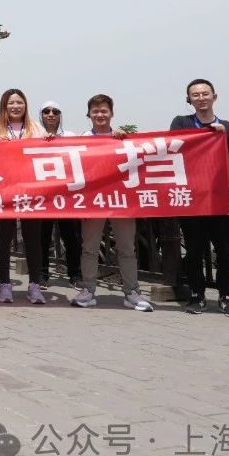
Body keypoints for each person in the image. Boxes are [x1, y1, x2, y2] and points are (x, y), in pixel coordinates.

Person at [170, 79, 229, 316]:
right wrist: (207, 135)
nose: (201, 98)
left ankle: (226, 296)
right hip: (192, 199)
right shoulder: (181, 123)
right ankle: (197, 295)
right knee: (194, 250)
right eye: (195, 95)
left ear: (214, 97)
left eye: (205, 93)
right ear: (189, 100)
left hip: (220, 199)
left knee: (224, 251)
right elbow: (174, 148)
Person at [72, 94, 153, 311]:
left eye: (104, 111)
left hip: (121, 201)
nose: (100, 115)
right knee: (89, 248)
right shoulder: (82, 140)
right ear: (89, 114)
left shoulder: (122, 138)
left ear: (111, 113)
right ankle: (88, 289)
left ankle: (132, 292)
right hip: (93, 201)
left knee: (126, 248)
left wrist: (125, 139)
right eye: (95, 111)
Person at [0, 89, 48, 304]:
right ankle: (5, 284)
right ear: (4, 105)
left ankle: (35, 285)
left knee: (33, 238)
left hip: (31, 190)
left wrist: (50, 140)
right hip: (3, 189)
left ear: (25, 105)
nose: (16, 106)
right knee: (3, 237)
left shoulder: (35, 127)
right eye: (11, 103)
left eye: (20, 102)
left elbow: (49, 150)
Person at [35, 101, 84, 289]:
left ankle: (75, 274)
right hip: (44, 194)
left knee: (71, 236)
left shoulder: (70, 136)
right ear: (41, 115)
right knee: (42, 237)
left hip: (67, 194)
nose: (51, 114)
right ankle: (42, 274)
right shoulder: (34, 136)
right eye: (46, 111)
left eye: (55, 111)